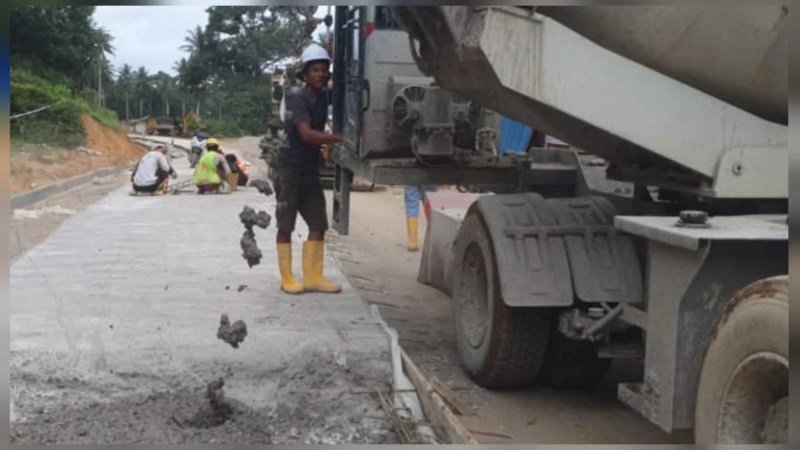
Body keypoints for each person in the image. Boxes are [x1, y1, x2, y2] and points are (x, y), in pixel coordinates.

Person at [274, 43, 344, 295]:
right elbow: (305, 134)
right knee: (286, 226)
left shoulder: (323, 95)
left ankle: (314, 277)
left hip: (309, 169)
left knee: (318, 224)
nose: (321, 74)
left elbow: (342, 88)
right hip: (289, 169)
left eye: (324, 69)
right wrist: (336, 139)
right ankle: (288, 278)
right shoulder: (296, 97)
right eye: (315, 70)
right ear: (304, 74)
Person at [404, 185, 435, 251]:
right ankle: (433, 240)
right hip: (430, 177)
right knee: (430, 202)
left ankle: (412, 242)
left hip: (412, 176)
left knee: (411, 204)